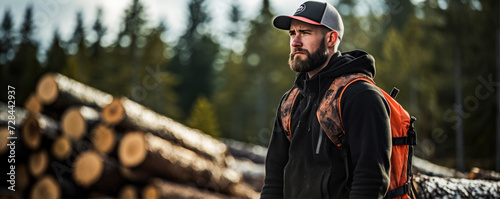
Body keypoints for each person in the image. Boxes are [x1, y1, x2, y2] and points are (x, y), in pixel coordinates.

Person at [261, 1, 392, 198]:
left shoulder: (360, 96)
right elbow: (273, 182)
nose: (295, 41)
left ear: (331, 38)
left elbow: (370, 183)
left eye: (305, 33)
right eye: (292, 33)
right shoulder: (290, 101)